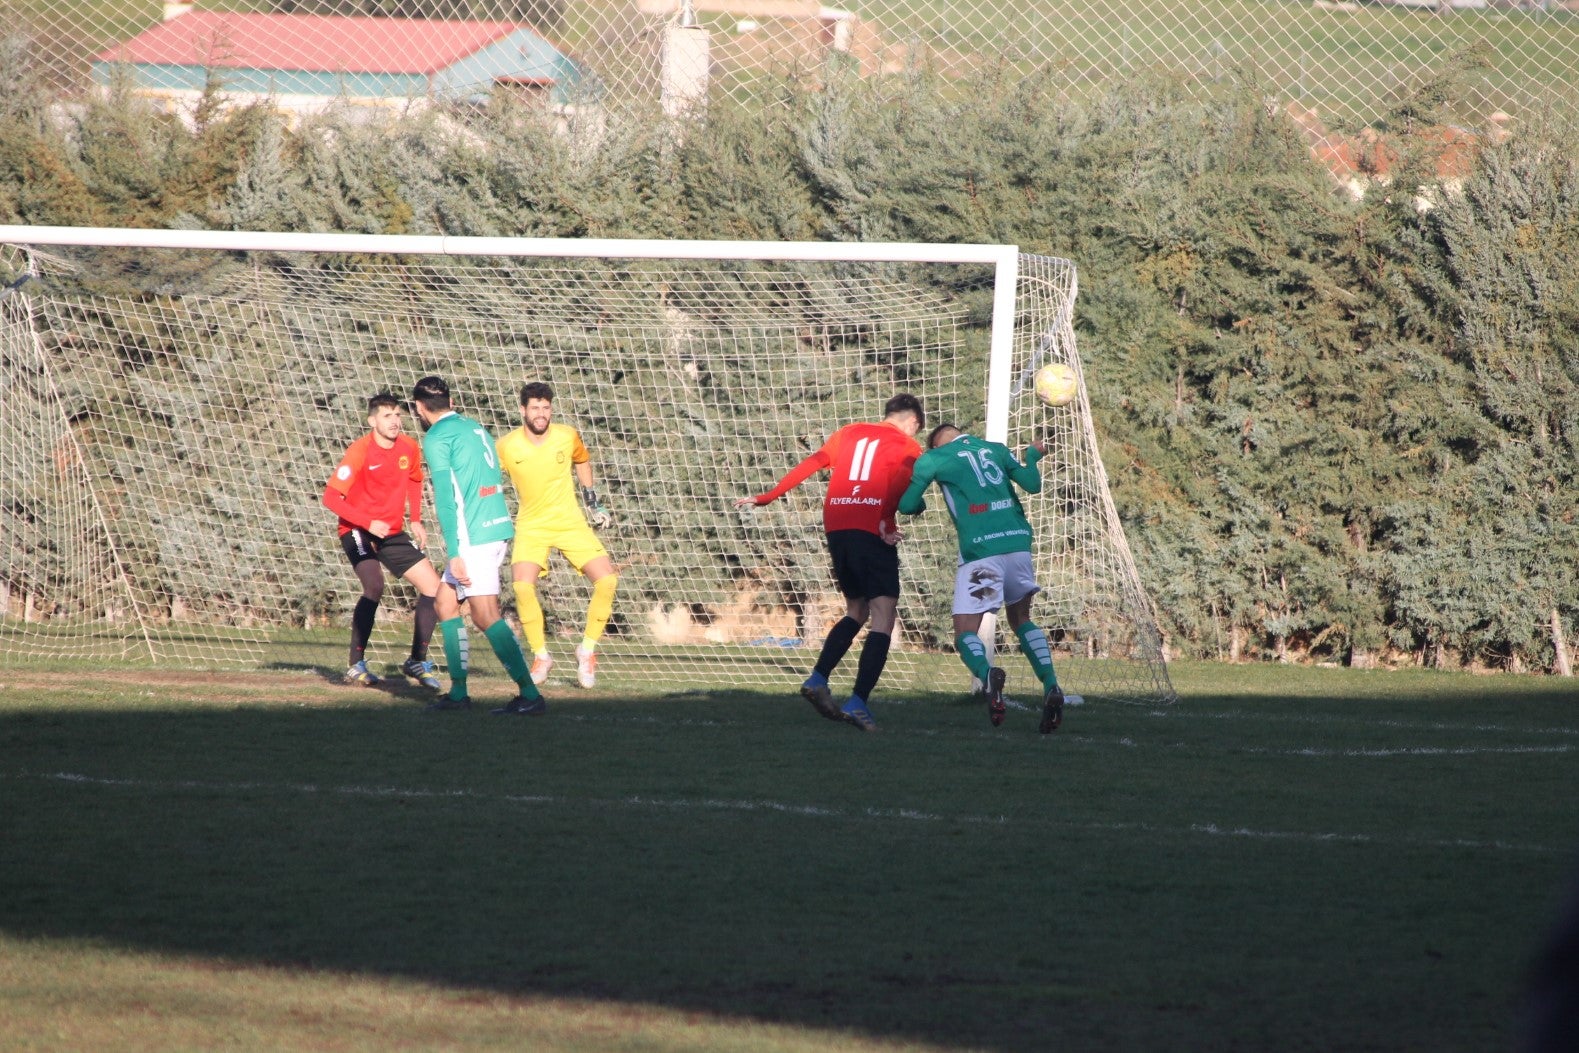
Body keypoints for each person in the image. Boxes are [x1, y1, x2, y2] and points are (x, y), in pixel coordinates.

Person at [734, 393, 925, 732]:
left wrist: (767, 497)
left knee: (856, 610)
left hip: (837, 526)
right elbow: (897, 484)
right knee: (883, 614)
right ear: (912, 422)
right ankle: (859, 702)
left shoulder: (849, 432)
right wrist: (886, 521)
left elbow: (813, 462)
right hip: (870, 528)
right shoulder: (908, 446)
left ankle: (818, 678)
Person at [897, 423, 1066, 734]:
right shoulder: (995, 449)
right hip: (1018, 545)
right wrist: (1031, 456)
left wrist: (918, 504)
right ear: (962, 433)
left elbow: (906, 505)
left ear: (935, 444)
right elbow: (1031, 484)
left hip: (981, 552)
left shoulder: (933, 459)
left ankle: (988, 677)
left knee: (965, 631)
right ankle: (1052, 685)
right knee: (1022, 619)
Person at [408, 375, 545, 716]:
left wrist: (455, 552)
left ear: (419, 408)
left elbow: (445, 497)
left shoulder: (438, 437)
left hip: (474, 535)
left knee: (485, 616)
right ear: (451, 403)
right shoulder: (474, 428)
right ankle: (458, 693)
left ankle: (529, 694)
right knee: (444, 602)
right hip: (494, 524)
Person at [496, 382, 618, 690]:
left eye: (546, 408)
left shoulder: (567, 436)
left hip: (569, 522)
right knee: (522, 586)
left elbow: (583, 459)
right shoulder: (507, 445)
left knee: (607, 580)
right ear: (523, 410)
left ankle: (587, 650)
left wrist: (592, 500)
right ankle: (541, 656)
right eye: (535, 408)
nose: (541, 414)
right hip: (531, 525)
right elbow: (490, 480)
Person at [320, 392, 443, 691]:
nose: (395, 421)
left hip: (390, 531)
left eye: (398, 415)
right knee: (374, 586)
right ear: (372, 420)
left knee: (434, 588)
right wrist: (365, 522)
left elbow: (415, 480)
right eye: (387, 416)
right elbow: (330, 497)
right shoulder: (359, 450)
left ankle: (417, 660)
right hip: (357, 529)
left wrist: (415, 518)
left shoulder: (409, 447)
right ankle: (355, 665)